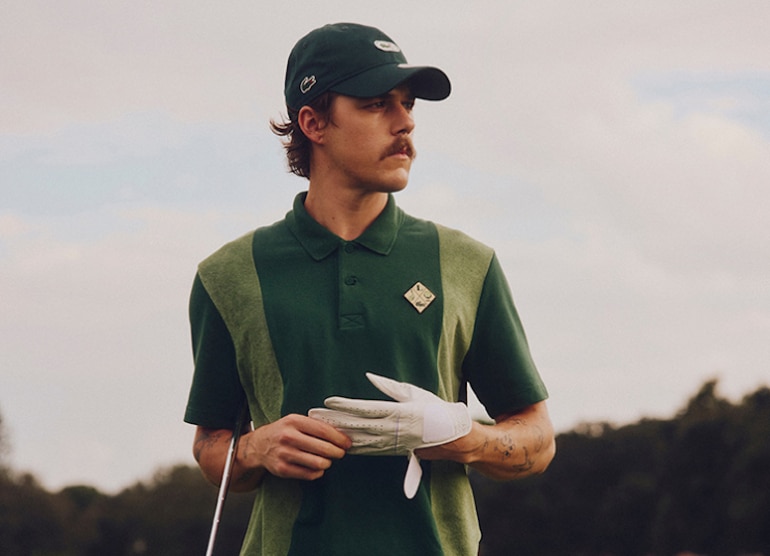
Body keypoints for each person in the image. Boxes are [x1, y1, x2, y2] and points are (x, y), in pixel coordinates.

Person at [184, 22, 555, 556]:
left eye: (407, 104)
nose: (405, 122)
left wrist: (462, 436)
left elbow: (538, 442)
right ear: (313, 122)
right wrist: (255, 449)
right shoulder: (228, 275)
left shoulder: (467, 264)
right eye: (377, 104)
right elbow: (210, 447)